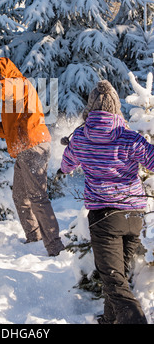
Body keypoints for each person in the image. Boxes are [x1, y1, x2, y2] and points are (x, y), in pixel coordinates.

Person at [60, 79, 152, 324]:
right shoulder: (129, 137)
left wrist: (74, 154)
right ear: (115, 108)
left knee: (114, 281)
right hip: (134, 216)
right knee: (117, 276)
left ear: (90, 107)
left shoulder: (80, 136)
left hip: (105, 218)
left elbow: (66, 165)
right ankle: (110, 320)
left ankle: (136, 321)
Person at [0, 57, 64, 257]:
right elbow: (7, 131)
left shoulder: (19, 84)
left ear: (7, 73)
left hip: (33, 146)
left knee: (37, 197)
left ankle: (55, 247)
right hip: (24, 149)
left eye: (0, 75)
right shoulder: (13, 98)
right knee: (20, 196)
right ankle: (34, 238)